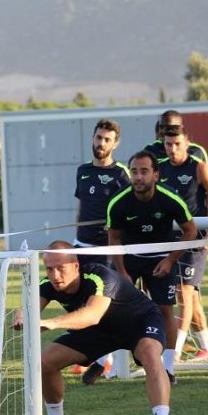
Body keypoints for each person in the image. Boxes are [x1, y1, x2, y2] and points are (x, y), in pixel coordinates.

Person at [13, 240, 181, 415]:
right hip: (98, 331)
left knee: (150, 354)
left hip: (139, 322)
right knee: (45, 362)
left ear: (76, 265)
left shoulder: (99, 276)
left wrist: (51, 322)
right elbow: (27, 307)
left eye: (60, 268)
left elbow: (92, 315)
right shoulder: (48, 284)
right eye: (49, 269)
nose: (55, 275)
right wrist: (22, 317)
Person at [106, 150, 197, 385]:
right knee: (115, 308)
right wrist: (122, 272)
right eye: (134, 171)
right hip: (130, 258)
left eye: (144, 171)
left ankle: (168, 368)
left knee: (165, 310)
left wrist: (169, 260)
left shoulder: (170, 199)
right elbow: (114, 239)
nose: (138, 177)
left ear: (155, 175)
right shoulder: (118, 202)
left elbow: (191, 231)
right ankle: (111, 362)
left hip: (161, 259)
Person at [159, 125, 208, 362]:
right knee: (191, 300)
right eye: (168, 144)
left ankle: (174, 351)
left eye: (177, 144)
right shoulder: (160, 168)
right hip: (169, 243)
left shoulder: (199, 168)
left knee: (183, 294)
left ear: (188, 143)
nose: (173, 149)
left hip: (194, 242)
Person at [72, 119, 130, 381]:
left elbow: (128, 211)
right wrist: (76, 236)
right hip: (81, 246)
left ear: (115, 143)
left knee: (104, 304)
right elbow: (80, 206)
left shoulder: (121, 174)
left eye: (107, 139)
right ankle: (92, 355)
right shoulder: (82, 171)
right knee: (79, 302)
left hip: (106, 249)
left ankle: (102, 360)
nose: (101, 143)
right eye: (98, 138)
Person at [143, 110, 208, 164]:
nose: (162, 131)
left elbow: (205, 178)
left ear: (180, 127)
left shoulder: (196, 151)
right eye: (161, 127)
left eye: (168, 127)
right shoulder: (150, 151)